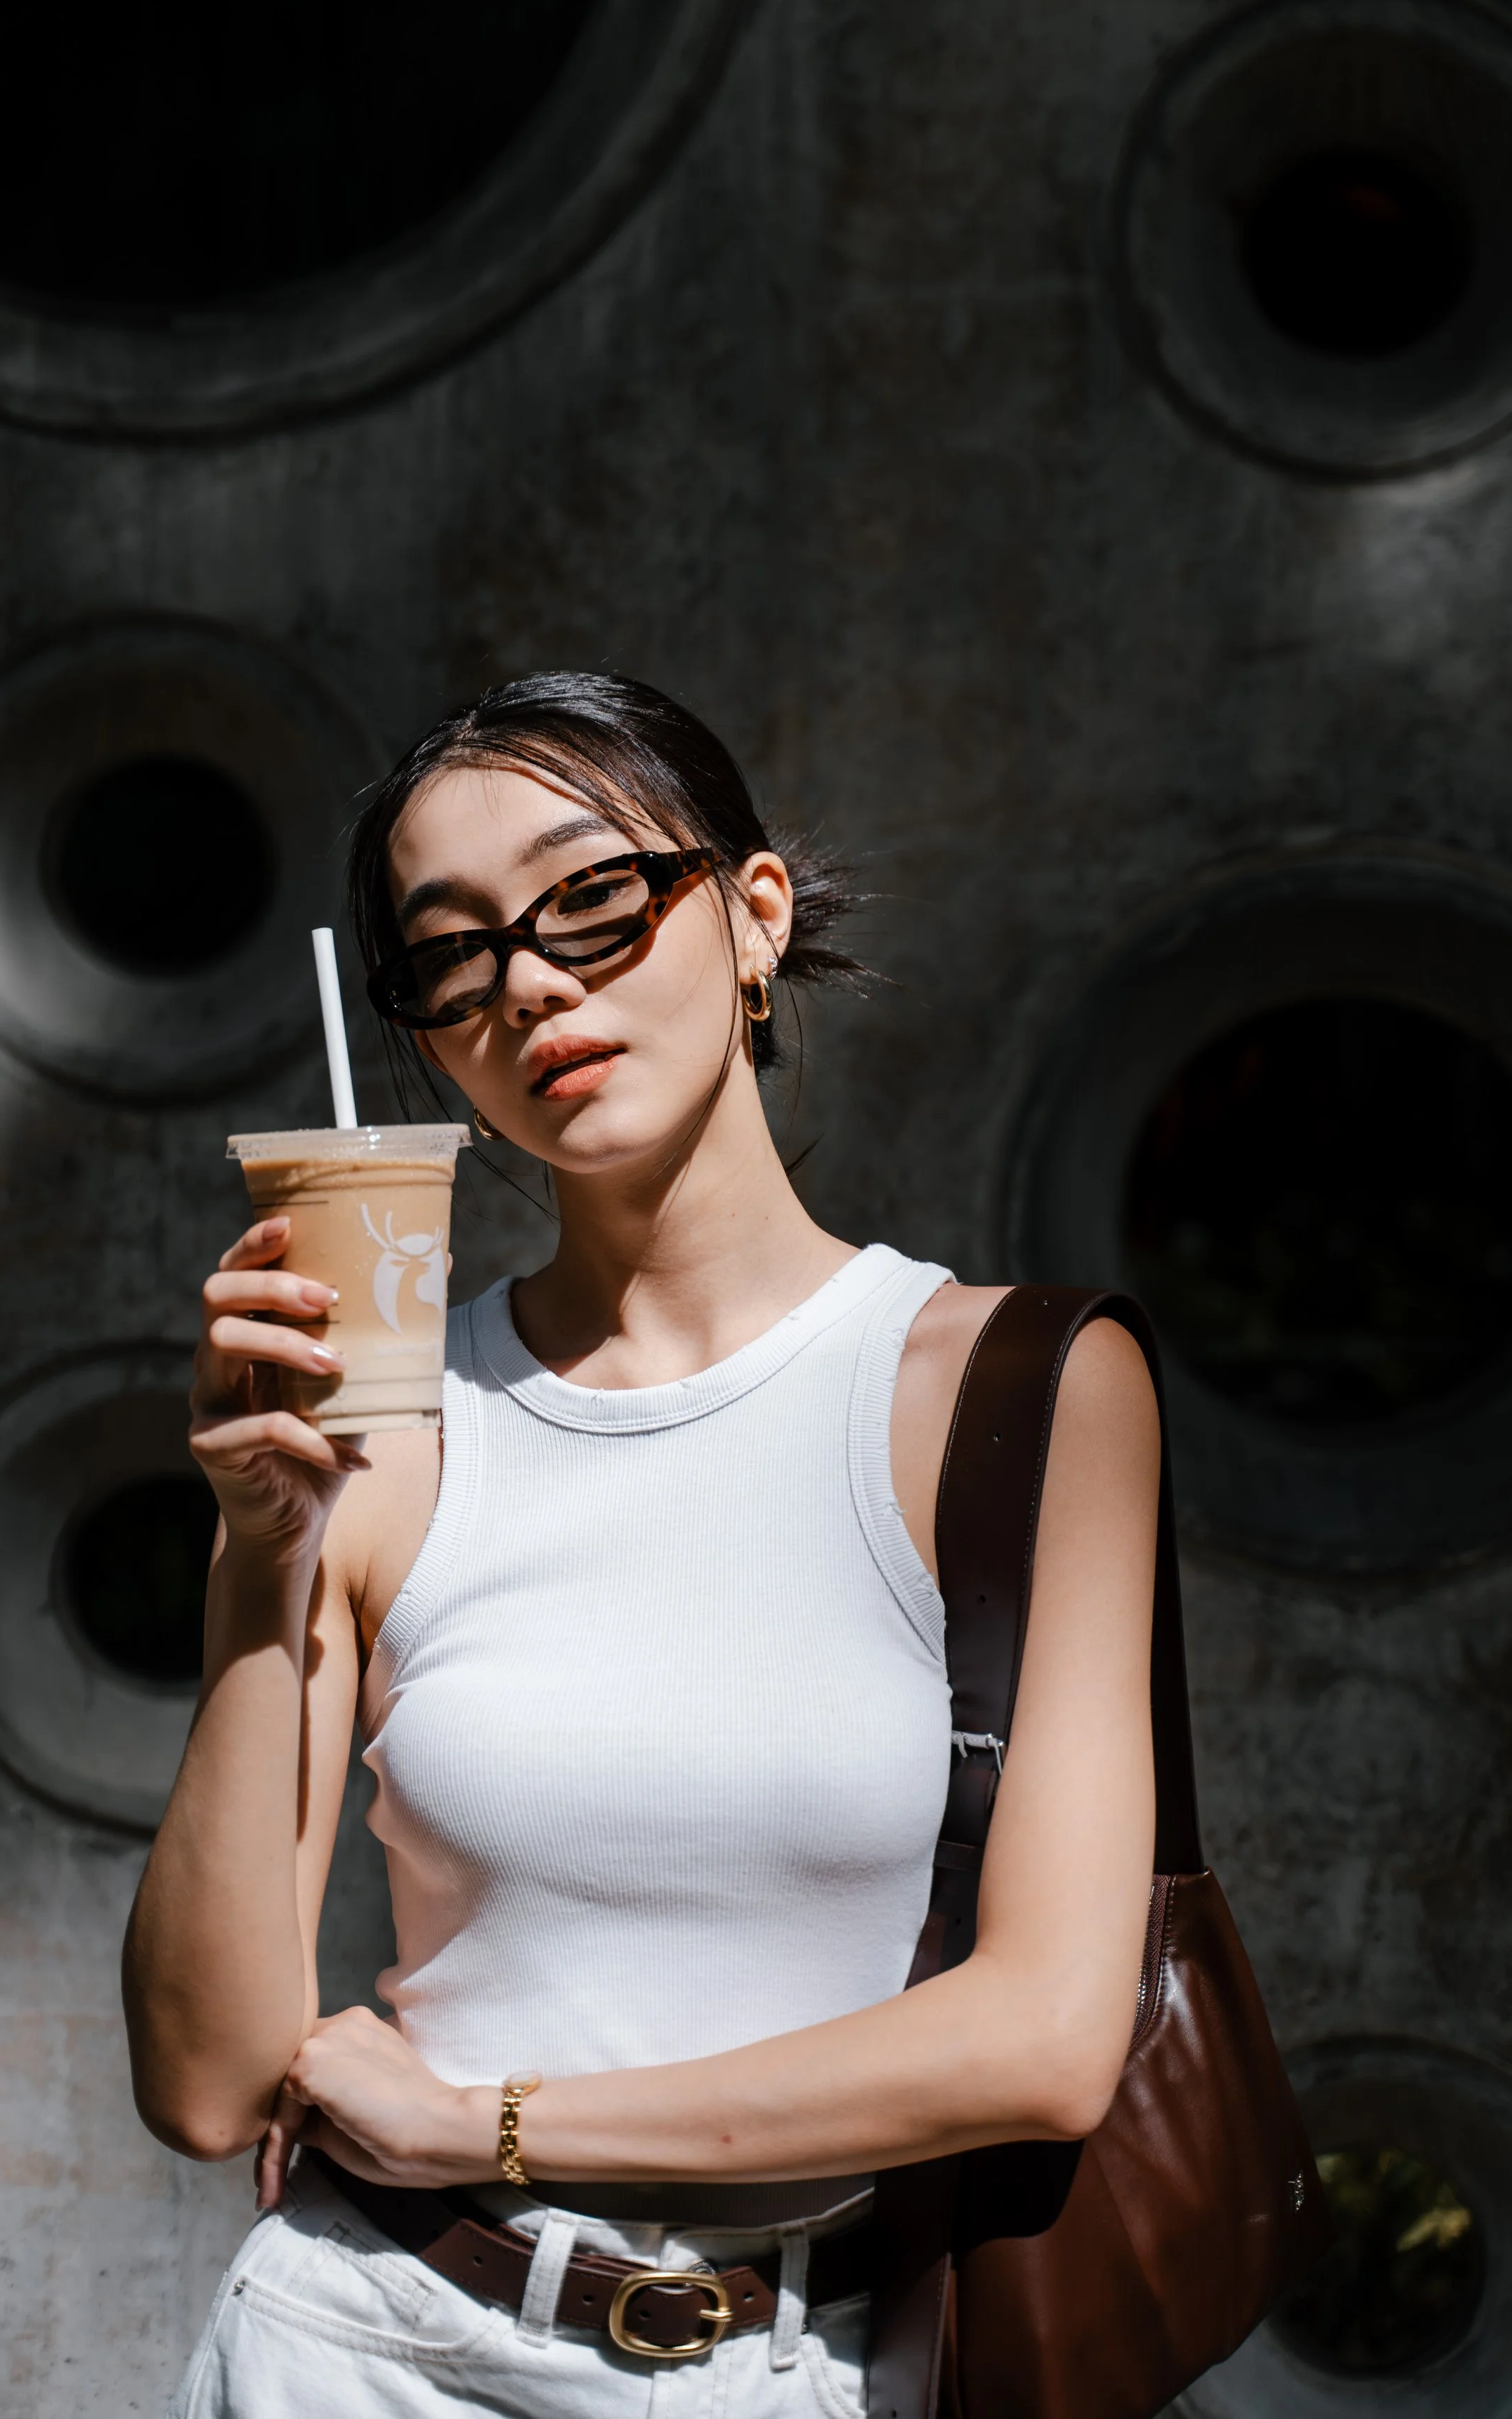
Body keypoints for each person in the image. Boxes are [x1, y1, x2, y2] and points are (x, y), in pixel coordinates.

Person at [123, 671, 1160, 2419]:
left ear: (751, 920)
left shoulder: (1021, 1391)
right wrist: (259, 1566)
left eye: (589, 900)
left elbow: (1047, 2041)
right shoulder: (396, 1422)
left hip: (800, 2362)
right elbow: (210, 2080)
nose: (528, 980)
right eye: (450, 956)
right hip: (373, 2349)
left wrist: (489, 2122)